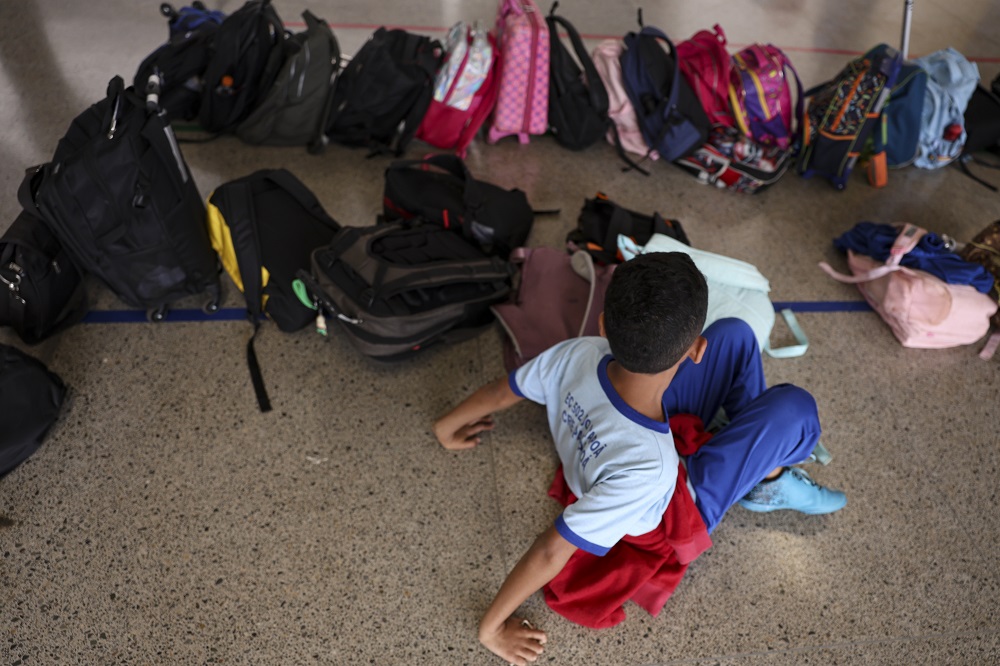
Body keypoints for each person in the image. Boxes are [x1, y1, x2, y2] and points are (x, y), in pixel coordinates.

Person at [433, 252, 846, 666]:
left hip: (630, 439)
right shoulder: (652, 469)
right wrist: (491, 629)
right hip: (679, 504)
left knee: (737, 334)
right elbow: (549, 551)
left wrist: (446, 426)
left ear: (602, 325)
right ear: (695, 350)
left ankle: (749, 450)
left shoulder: (577, 352)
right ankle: (766, 477)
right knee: (796, 410)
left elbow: (504, 390)